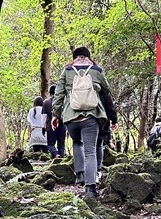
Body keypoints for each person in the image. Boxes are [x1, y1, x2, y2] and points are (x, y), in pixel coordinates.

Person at [50, 47, 115, 199]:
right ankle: (90, 188)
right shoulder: (97, 70)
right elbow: (107, 91)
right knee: (90, 150)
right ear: (88, 57)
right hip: (92, 116)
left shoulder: (67, 71)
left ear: (74, 57)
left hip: (71, 117)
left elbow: (58, 95)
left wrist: (56, 115)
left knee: (77, 143)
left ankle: (80, 175)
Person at [42, 85, 67, 158]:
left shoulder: (46, 102)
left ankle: (56, 154)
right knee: (61, 145)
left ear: (50, 92)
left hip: (50, 126)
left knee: (50, 144)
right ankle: (62, 159)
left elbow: (44, 117)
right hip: (62, 125)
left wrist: (43, 128)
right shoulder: (63, 101)